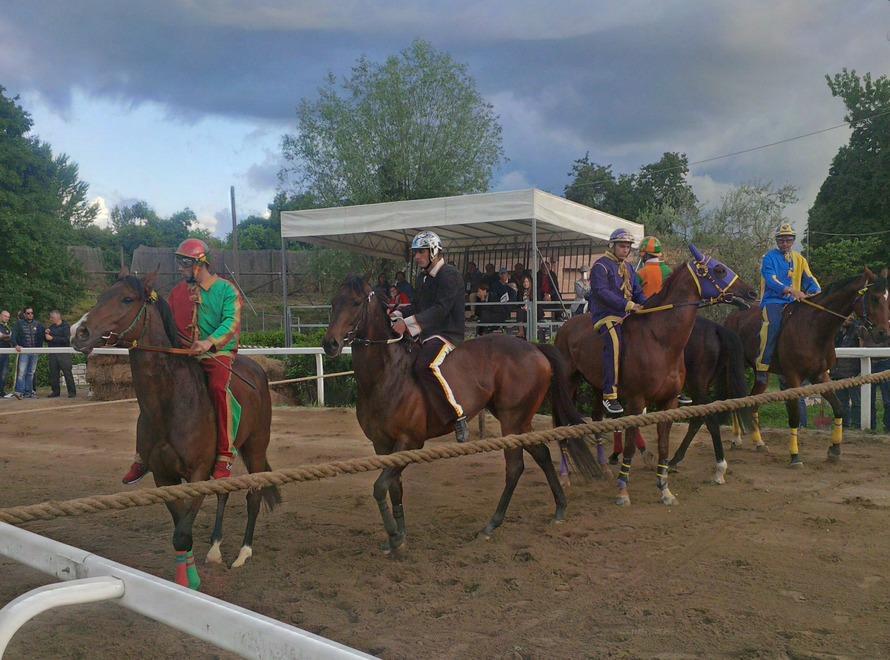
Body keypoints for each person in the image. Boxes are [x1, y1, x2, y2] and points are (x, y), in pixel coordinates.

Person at [122, 238, 243, 484]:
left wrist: (209, 342)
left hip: (216, 354)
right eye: (179, 262)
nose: (180, 268)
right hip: (184, 354)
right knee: (154, 393)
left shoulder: (226, 290)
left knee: (219, 389)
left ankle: (224, 455)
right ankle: (143, 456)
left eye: (184, 263)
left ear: (200, 264)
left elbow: (231, 322)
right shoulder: (178, 292)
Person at [391, 231, 469, 443]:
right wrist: (397, 313)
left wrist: (406, 324)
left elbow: (440, 310)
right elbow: (418, 306)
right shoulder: (422, 277)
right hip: (427, 333)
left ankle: (457, 416)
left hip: (447, 335)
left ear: (434, 251)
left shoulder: (449, 274)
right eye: (415, 252)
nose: (416, 256)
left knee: (425, 366)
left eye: (420, 252)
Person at [755, 223, 821, 385]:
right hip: (773, 301)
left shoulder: (800, 259)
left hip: (794, 302)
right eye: (781, 240)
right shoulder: (769, 258)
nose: (785, 243)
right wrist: (791, 290)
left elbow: (810, 279)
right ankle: (762, 366)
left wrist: (816, 292)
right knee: (773, 325)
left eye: (788, 240)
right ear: (777, 241)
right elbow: (771, 280)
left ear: (793, 241)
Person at [589, 229, 646, 415]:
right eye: (622, 246)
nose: (626, 250)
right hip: (606, 315)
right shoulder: (600, 266)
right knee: (614, 342)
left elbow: (637, 290)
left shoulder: (629, 267)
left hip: (628, 313)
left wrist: (646, 304)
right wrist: (628, 304)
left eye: (628, 247)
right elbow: (601, 292)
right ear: (612, 246)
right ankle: (609, 395)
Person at [11, 306, 43, 399]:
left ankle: (29, 392)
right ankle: (20, 392)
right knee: (22, 372)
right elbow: (13, 336)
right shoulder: (19, 324)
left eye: (32, 313)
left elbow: (43, 335)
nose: (30, 315)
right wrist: (16, 345)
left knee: (31, 372)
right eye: (28, 313)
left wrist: (47, 332)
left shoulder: (38, 324)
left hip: (35, 352)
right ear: (24, 314)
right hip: (24, 351)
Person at [45, 310, 75, 398]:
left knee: (67, 373)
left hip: (64, 353)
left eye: (52, 317)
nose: (51, 319)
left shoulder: (66, 327)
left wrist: (52, 338)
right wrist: (46, 334)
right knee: (54, 373)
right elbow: (47, 339)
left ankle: (72, 392)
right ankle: (55, 391)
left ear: (58, 317)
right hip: (53, 353)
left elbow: (66, 340)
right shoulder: (51, 327)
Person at [0, 310, 11, 398]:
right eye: (5, 316)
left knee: (4, 373)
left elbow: (6, 338)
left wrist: (7, 337)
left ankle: (1, 392)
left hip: (6, 353)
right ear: (1, 316)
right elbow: (1, 336)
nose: (7, 318)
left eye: (8, 317)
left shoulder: (7, 327)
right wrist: (10, 336)